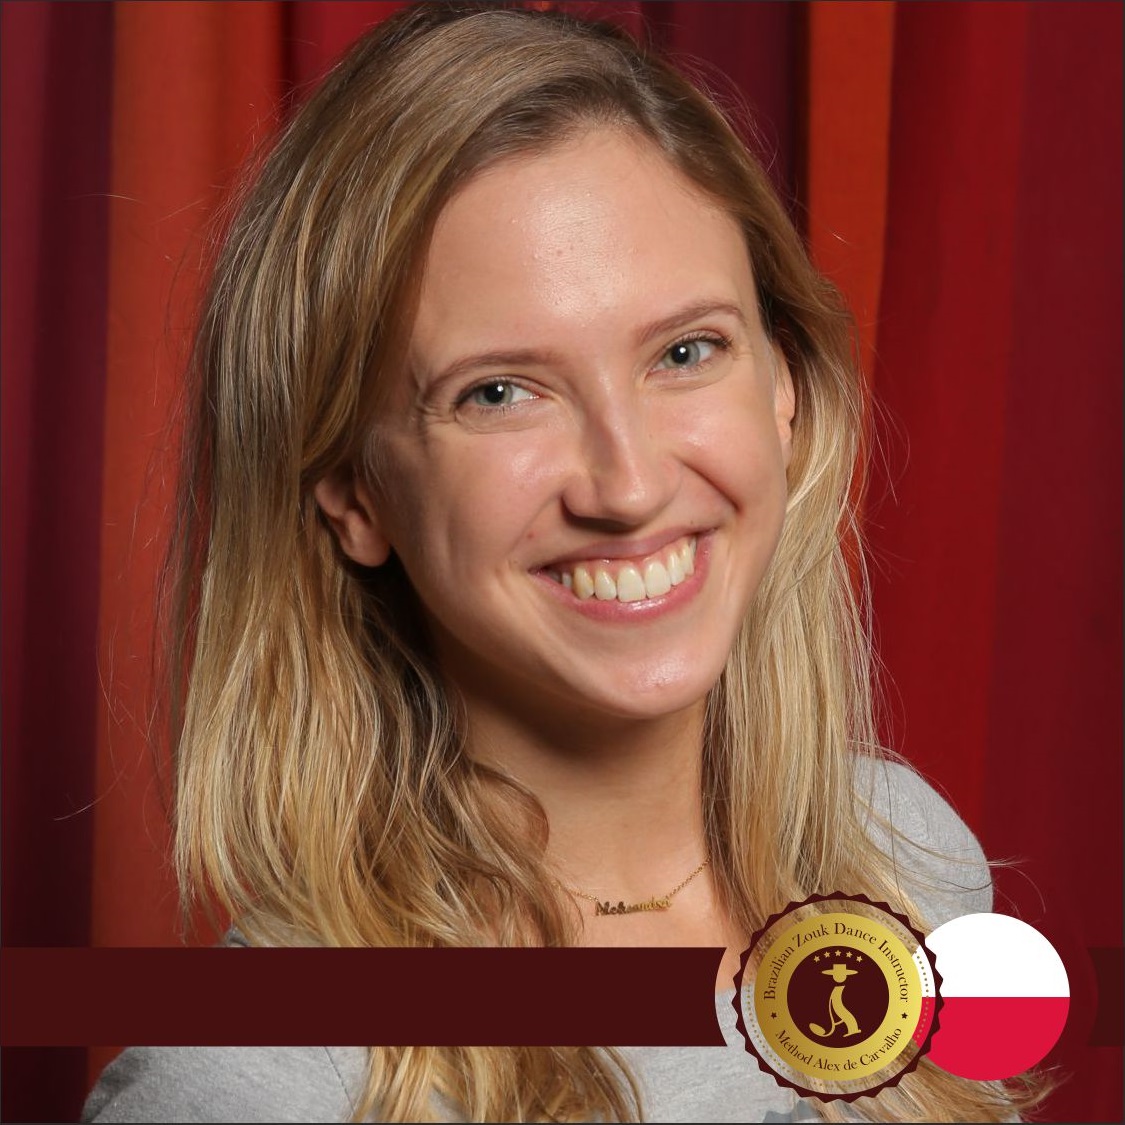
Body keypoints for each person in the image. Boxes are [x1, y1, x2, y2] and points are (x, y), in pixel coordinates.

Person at [83, 4, 1039, 1122]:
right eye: (498, 392)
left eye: (685, 351)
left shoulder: (905, 857)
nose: (626, 486)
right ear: (353, 491)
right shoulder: (260, 1081)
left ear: (782, 388)